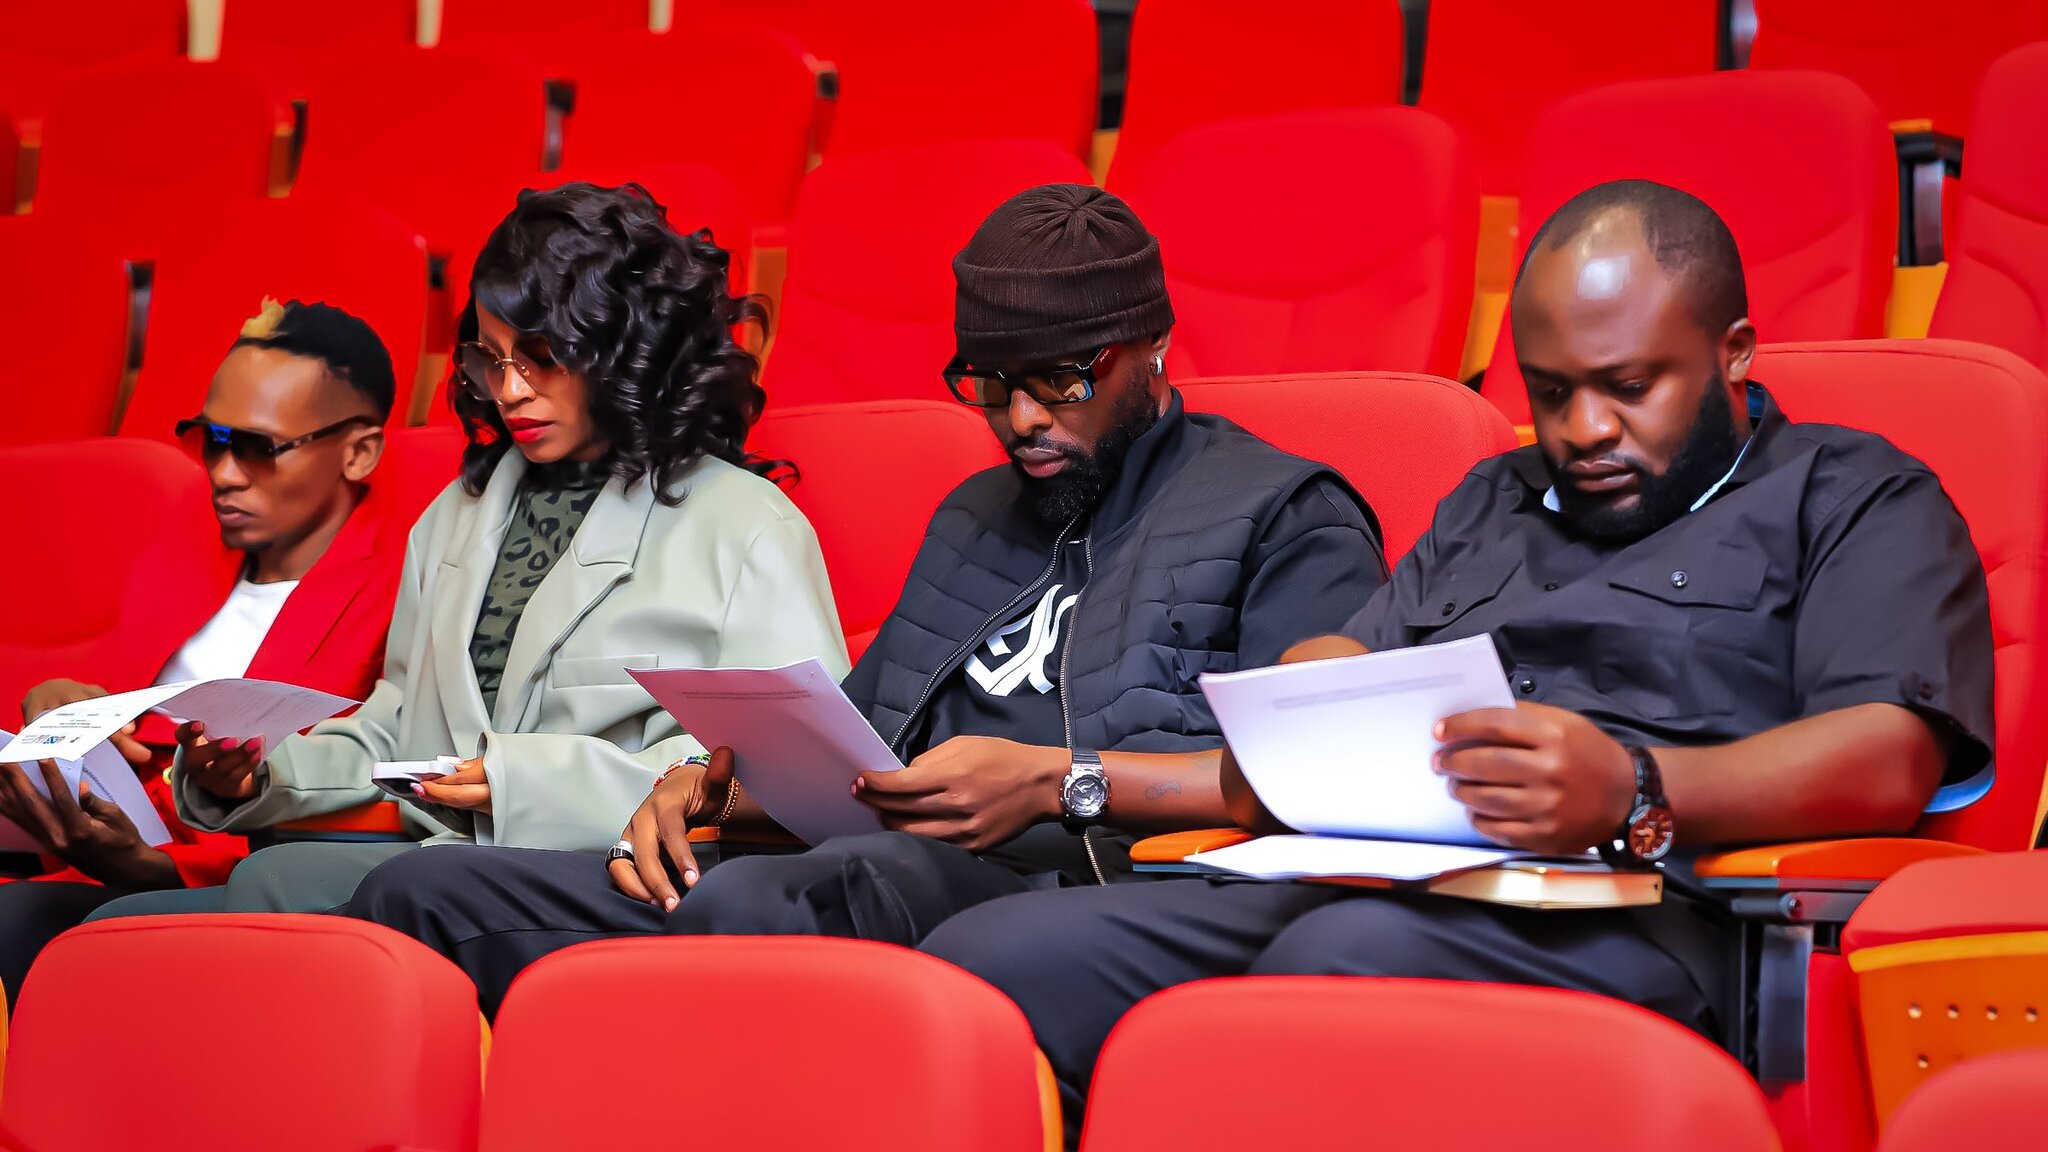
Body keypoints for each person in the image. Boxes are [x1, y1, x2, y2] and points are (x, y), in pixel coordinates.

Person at [918, 179, 1998, 1142]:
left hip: (1654, 908)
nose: (1584, 429)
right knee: (989, 966)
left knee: (1331, 969)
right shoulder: (1494, 500)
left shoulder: (1852, 497)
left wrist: (1631, 788)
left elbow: (1891, 754)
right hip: (1389, 882)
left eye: (1629, 386)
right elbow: (1348, 680)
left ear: (1734, 351)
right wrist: (1320, 679)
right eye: (1550, 392)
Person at [346, 183, 1389, 1014]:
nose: (1022, 419)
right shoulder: (977, 514)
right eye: (989, 384)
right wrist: (707, 792)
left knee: (779, 897)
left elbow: (1321, 780)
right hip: (858, 872)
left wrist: (1058, 783)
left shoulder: (1279, 512)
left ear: (1152, 344)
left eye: (1061, 381)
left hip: (1071, 882)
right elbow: (853, 764)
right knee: (418, 895)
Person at [90, 182, 846, 919]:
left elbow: (797, 776)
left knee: (279, 880)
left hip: (623, 874)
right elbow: (397, 731)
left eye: (541, 357)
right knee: (106, 926)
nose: (509, 390)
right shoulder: (454, 518)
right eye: (491, 359)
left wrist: (529, 780)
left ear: (623, 351)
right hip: (442, 863)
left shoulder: (746, 526)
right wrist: (256, 774)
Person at [0, 299, 403, 994]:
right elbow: (124, 733)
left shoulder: (401, 591)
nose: (223, 473)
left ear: (359, 451)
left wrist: (154, 867)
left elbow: (359, 803)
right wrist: (62, 717)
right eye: (210, 439)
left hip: (239, 892)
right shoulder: (179, 559)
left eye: (258, 448)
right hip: (78, 860)